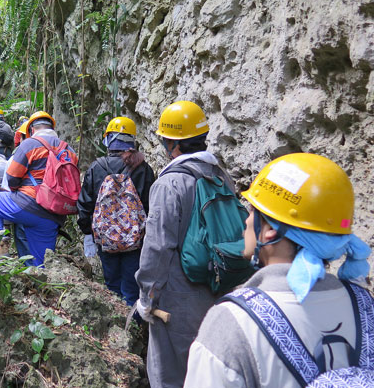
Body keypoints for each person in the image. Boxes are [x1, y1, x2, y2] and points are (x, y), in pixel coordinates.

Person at [184, 153, 372, 388]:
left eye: (253, 211)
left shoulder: (232, 321)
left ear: (271, 230)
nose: (245, 221)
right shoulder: (365, 305)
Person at [135, 101, 236, 388]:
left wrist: (146, 298)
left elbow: (157, 248)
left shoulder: (171, 183)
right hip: (219, 288)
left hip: (178, 299)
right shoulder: (220, 175)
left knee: (171, 374)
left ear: (171, 143)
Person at [77, 116, 155, 306]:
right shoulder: (142, 168)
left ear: (108, 140)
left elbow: (86, 203)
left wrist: (88, 233)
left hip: (105, 238)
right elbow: (149, 205)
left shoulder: (97, 167)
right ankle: (132, 326)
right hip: (134, 239)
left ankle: (115, 327)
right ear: (132, 141)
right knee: (131, 286)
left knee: (111, 284)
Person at [0, 111, 78, 266]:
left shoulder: (30, 144)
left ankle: (0, 247)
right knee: (40, 264)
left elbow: (12, 178)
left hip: (28, 204)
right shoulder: (69, 150)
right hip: (54, 214)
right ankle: (41, 287)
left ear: (31, 130)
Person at [0, 120, 31, 263]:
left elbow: (7, 188)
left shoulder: (16, 159)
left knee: (23, 239)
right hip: (47, 209)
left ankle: (30, 270)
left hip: (23, 207)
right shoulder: (51, 155)